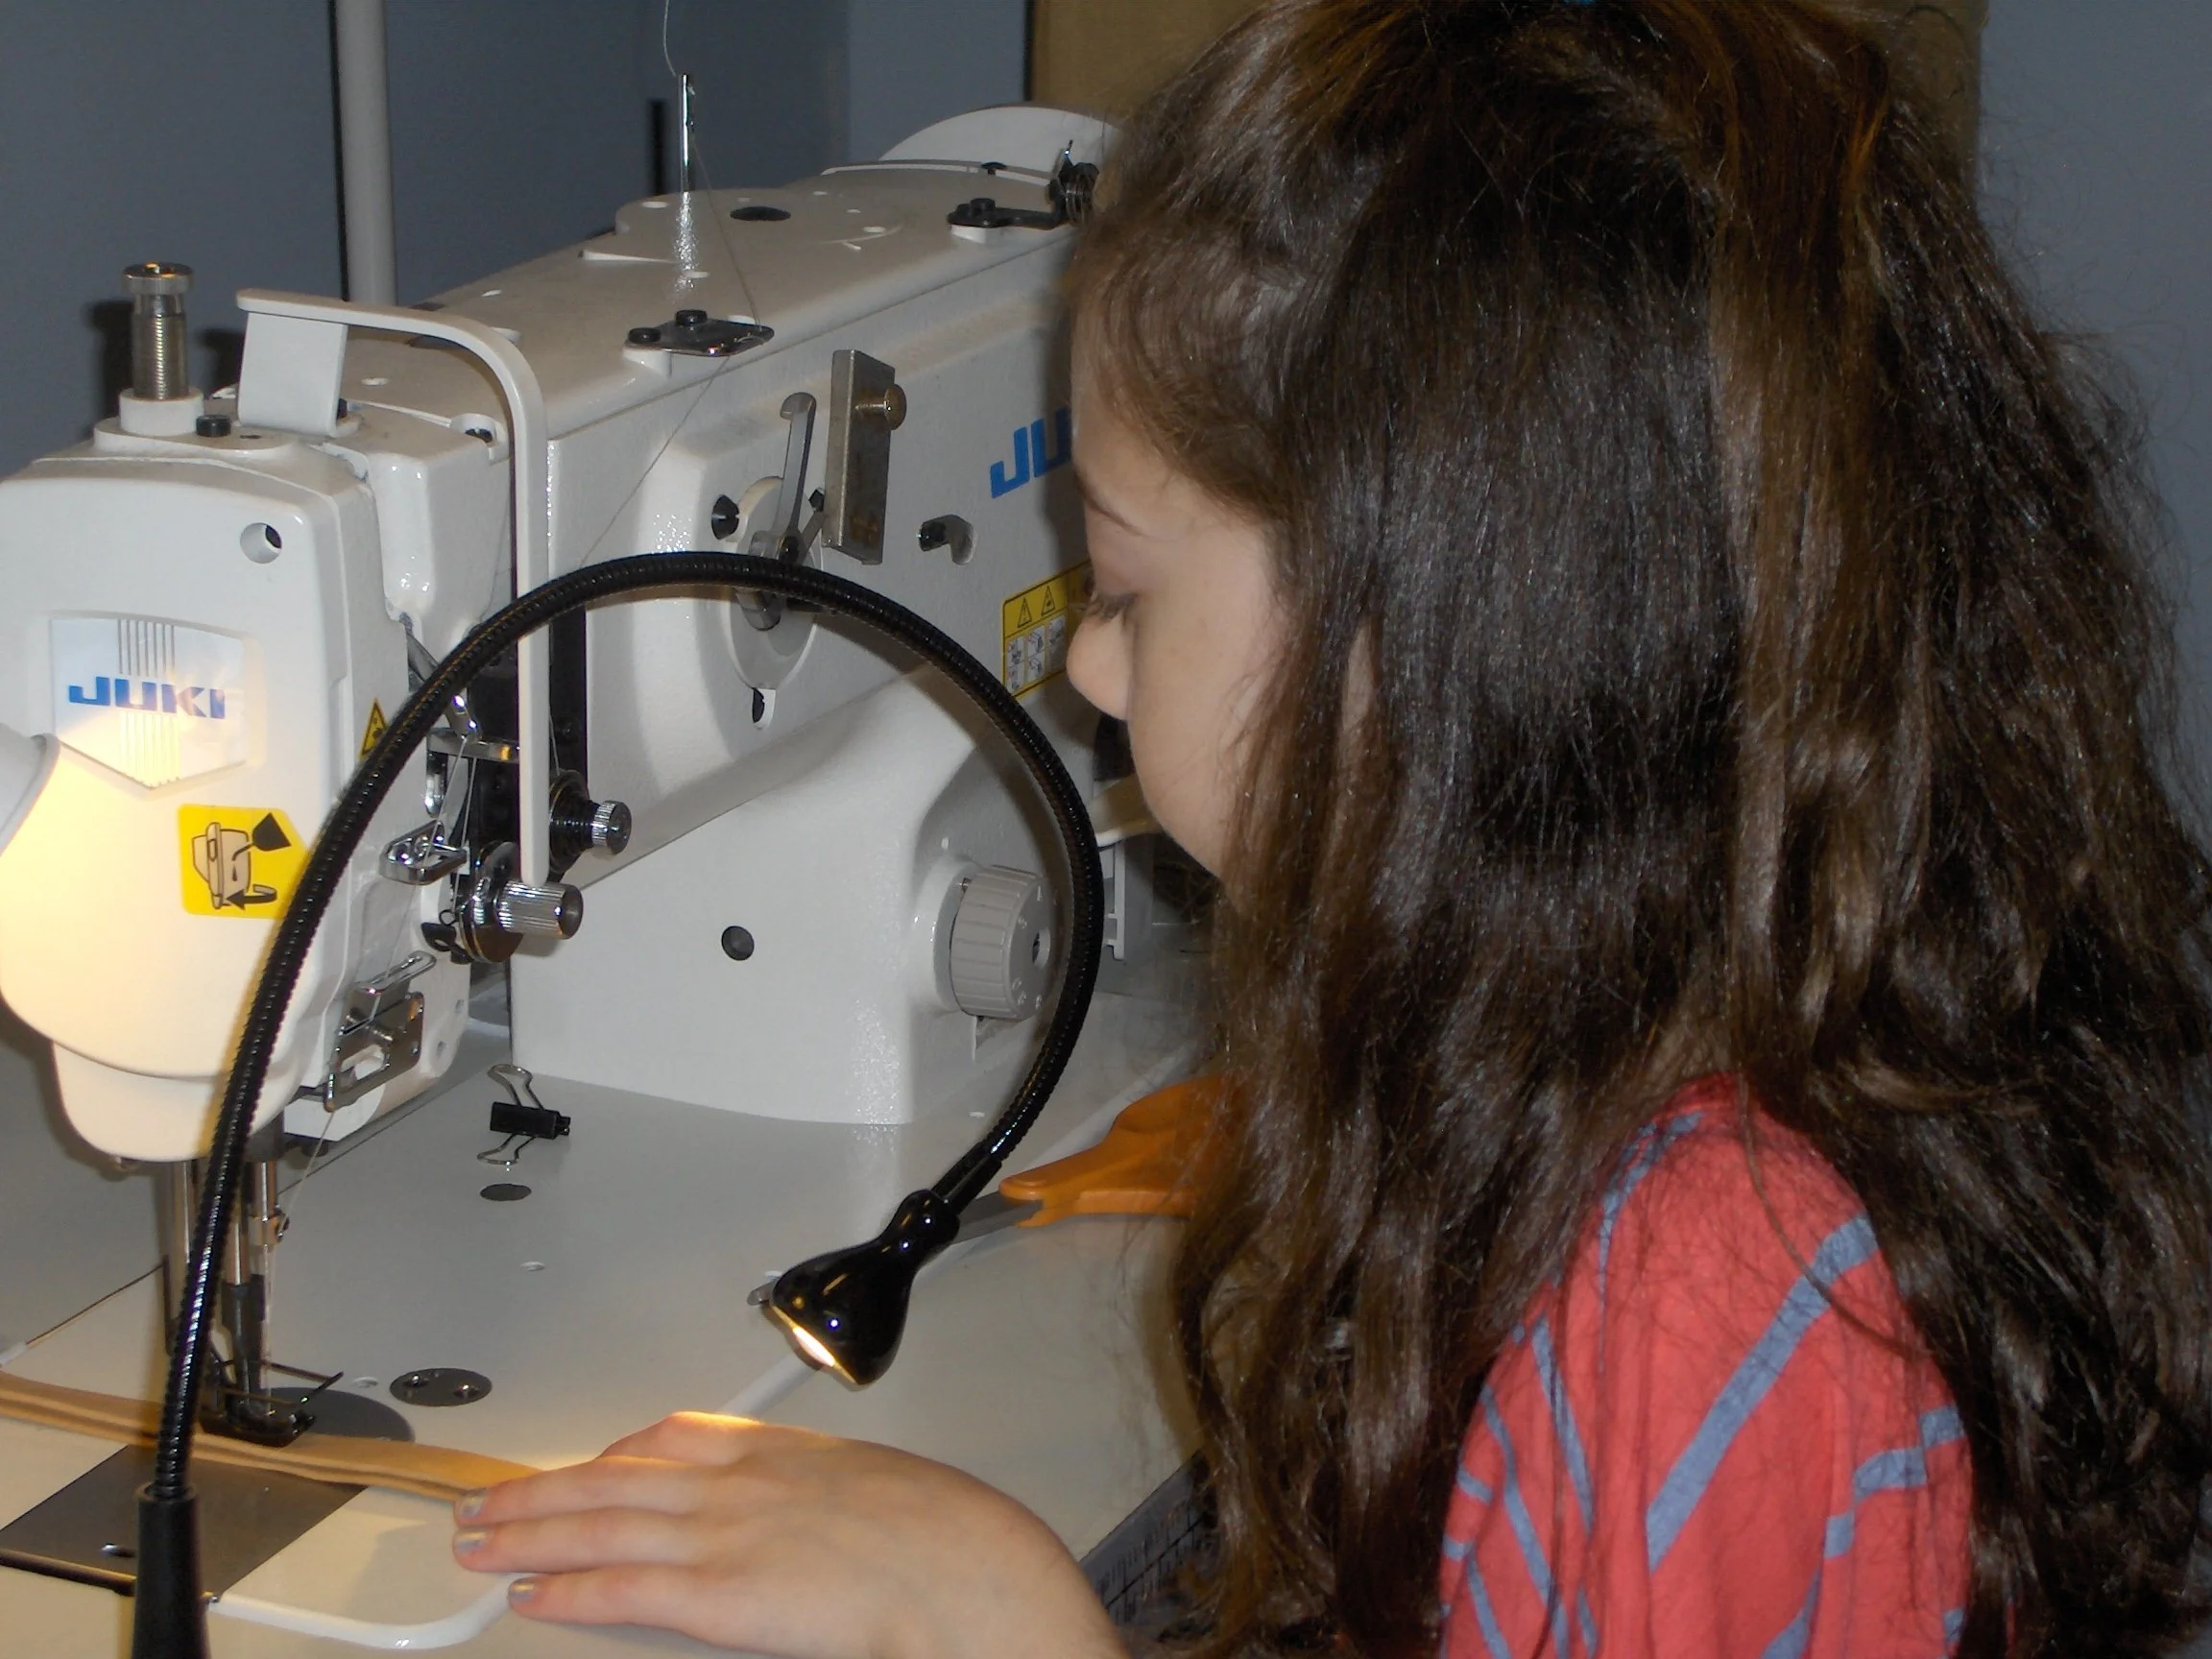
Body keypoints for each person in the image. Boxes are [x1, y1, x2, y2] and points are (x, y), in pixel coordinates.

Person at [449, 2, 2212, 1654]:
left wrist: (1004, 1613)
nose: (1086, 659)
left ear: (1429, 645)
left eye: (1124, 580)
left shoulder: (1698, 1304)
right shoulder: (1651, 1119)